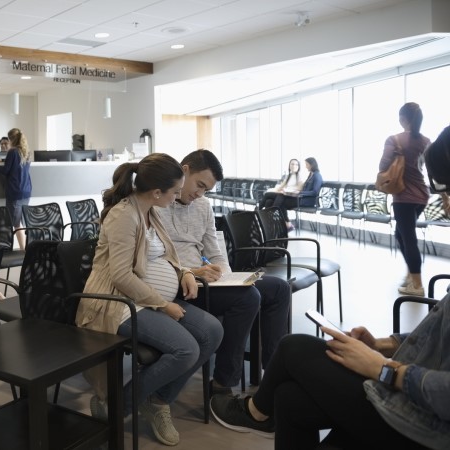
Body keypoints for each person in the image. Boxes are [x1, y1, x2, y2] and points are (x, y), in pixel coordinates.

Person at [210, 126, 450, 450]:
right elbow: (439, 340)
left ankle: (255, 413)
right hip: (409, 395)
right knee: (289, 398)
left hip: (424, 424)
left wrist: (383, 370)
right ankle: (260, 412)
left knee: (294, 348)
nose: (445, 207)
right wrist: (383, 344)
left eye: (447, 194)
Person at [76, 153, 223, 446]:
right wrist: (163, 304)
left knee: (212, 332)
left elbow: (166, 255)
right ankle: (118, 405)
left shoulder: (150, 211)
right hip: (119, 304)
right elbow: (120, 277)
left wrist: (184, 272)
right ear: (157, 192)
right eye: (175, 192)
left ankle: (156, 400)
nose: (178, 196)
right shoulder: (124, 216)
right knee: (186, 349)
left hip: (149, 301)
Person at [156, 149, 291, 395]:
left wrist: (228, 278)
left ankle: (273, 375)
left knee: (279, 289)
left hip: (206, 282)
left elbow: (215, 251)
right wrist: (194, 271)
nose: (200, 194)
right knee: (248, 298)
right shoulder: (158, 202)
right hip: (179, 284)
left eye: (206, 189)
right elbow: (155, 260)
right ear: (184, 170)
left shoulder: (203, 205)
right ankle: (223, 385)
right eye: (199, 185)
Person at [380, 102, 431, 296]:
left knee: (408, 238)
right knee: (401, 235)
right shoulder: (426, 141)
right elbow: (432, 168)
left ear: (402, 119)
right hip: (422, 195)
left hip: (403, 196)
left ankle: (417, 285)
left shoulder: (394, 139)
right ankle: (411, 274)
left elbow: (383, 165)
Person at [0, 128, 32, 249]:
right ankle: (26, 248)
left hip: (15, 192)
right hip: (26, 191)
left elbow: (5, 171)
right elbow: (16, 165)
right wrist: (3, 160)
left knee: (16, 223)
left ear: (11, 139)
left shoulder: (12, 152)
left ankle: (24, 250)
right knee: (20, 221)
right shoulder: (25, 151)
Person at [271, 157, 323, 231]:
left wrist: (300, 192)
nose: (305, 166)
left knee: (280, 202)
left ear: (312, 165)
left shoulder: (317, 176)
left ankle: (280, 221)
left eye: (307, 164)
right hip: (301, 198)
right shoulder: (311, 175)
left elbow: (315, 192)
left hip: (307, 201)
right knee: (279, 198)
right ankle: (280, 222)